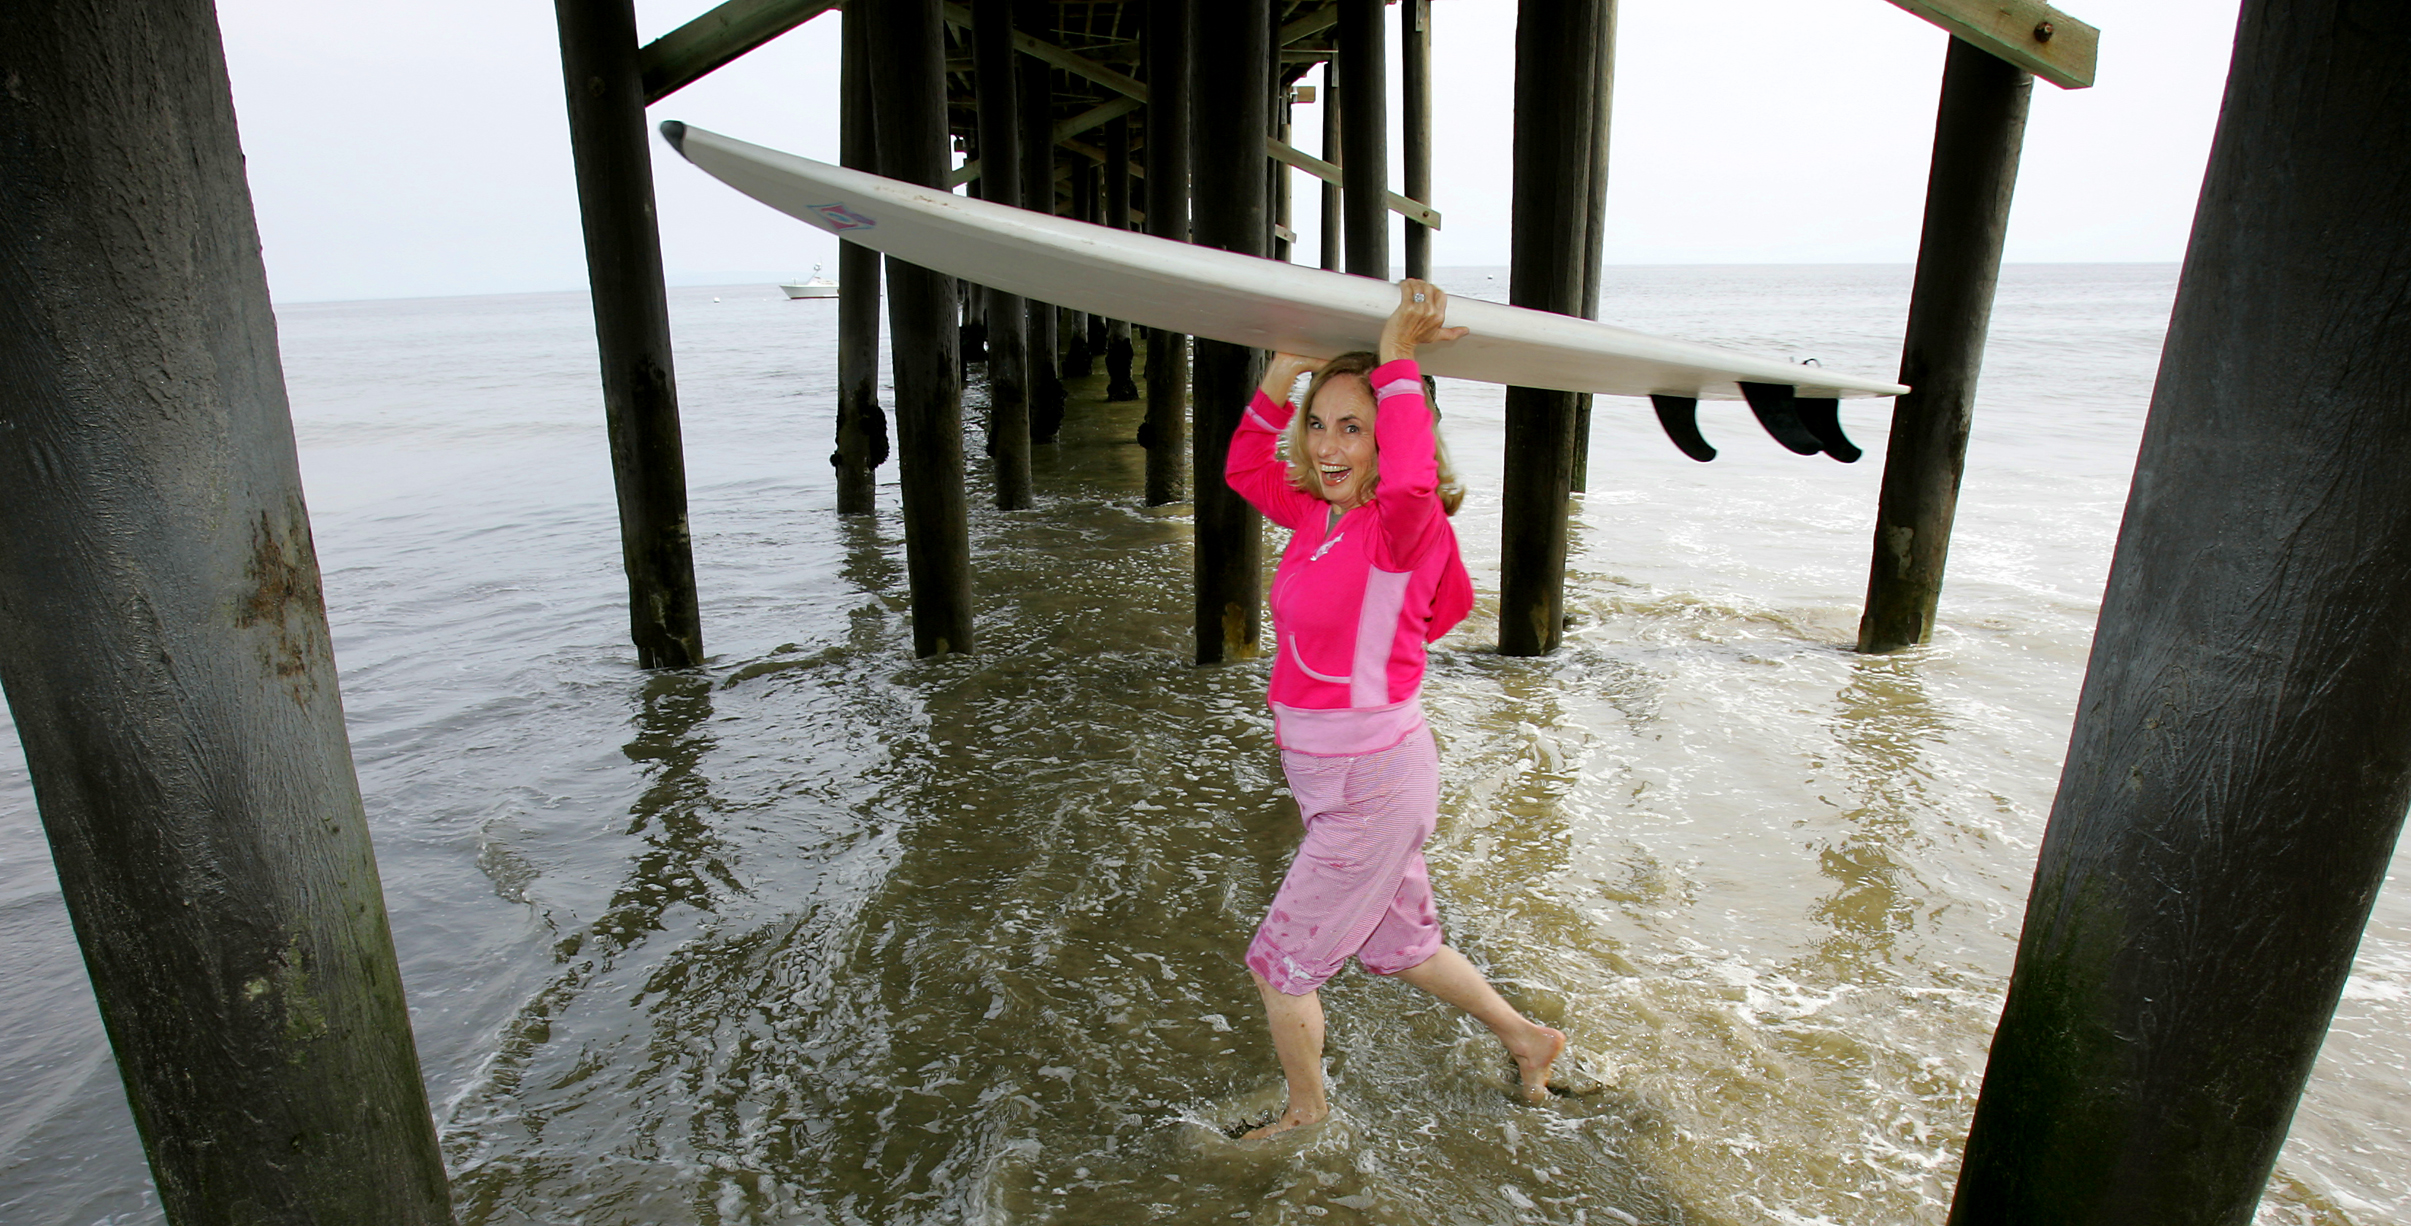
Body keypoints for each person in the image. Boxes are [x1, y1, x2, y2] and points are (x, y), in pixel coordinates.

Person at [1224, 278, 1565, 1140]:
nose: (1330, 445)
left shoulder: (1396, 529)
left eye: (1355, 427)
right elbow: (1240, 468)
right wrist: (1278, 378)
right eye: (1319, 422)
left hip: (1371, 781)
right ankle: (1530, 1039)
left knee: (1280, 965)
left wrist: (1400, 361)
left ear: (1388, 443)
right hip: (1331, 779)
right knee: (1398, 947)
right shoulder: (1315, 517)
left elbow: (1415, 491)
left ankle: (1305, 1117)